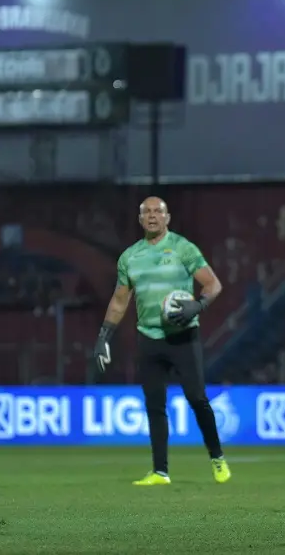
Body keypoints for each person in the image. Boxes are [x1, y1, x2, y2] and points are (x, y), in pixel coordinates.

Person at [92, 196, 231, 486]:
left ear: (167, 218)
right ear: (140, 220)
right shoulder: (130, 257)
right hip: (149, 338)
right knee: (155, 404)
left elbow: (213, 284)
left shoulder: (183, 248)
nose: (153, 216)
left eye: (158, 211)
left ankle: (217, 458)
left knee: (197, 398)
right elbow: (119, 302)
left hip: (183, 336)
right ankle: (160, 471)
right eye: (147, 212)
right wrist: (104, 336)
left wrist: (198, 306)